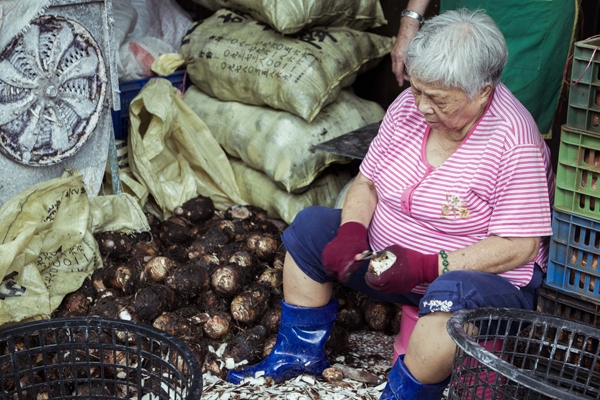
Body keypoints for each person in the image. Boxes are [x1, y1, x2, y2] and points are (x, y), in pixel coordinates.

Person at [227, 9, 554, 399]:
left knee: (452, 293)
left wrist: (427, 265)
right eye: (417, 91)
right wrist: (351, 233)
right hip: (390, 265)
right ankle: (298, 355)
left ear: (483, 91)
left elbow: (521, 245)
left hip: (477, 284)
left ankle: (406, 393)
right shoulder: (406, 109)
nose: (422, 107)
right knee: (311, 229)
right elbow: (366, 183)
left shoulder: (513, 141)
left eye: (438, 100)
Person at [392, 0, 577, 136]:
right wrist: (410, 20)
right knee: (440, 98)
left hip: (532, 15)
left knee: (507, 127)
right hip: (465, 9)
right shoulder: (403, 108)